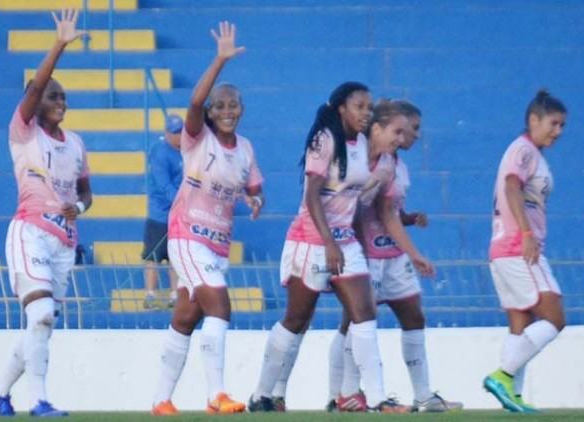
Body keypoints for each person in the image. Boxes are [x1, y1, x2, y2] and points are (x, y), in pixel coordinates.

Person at [248, 84, 408, 413]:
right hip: (311, 241)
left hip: (344, 241)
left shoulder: (362, 145)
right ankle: (262, 394)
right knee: (296, 320)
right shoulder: (325, 139)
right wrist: (329, 242)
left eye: (369, 107)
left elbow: (359, 199)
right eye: (359, 106)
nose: (365, 112)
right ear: (341, 109)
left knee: (364, 313)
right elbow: (311, 196)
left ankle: (376, 398)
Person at [150, 21, 264, 416]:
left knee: (185, 316)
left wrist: (255, 199)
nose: (227, 110)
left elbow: (251, 185)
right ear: (212, 113)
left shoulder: (246, 149)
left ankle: (161, 399)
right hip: (186, 235)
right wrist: (220, 60)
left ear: (242, 110)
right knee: (220, 306)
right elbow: (195, 104)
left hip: (217, 243)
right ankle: (217, 395)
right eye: (221, 105)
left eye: (233, 104)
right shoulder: (198, 137)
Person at [0, 9, 90, 417]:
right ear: (36, 101)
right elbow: (34, 91)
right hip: (29, 231)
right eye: (52, 95)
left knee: (38, 323)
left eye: (63, 96)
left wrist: (77, 207)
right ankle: (40, 401)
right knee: (42, 314)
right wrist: (59, 44)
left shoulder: (77, 143)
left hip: (64, 239)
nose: (60, 101)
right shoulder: (23, 130)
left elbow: (86, 193)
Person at [326, 100, 462, 413]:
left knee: (414, 317)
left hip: (392, 253)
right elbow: (354, 209)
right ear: (379, 127)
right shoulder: (356, 157)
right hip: (363, 254)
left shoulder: (391, 165)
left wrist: (412, 242)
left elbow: (387, 211)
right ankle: (344, 393)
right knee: (354, 323)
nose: (407, 137)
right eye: (403, 130)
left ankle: (424, 396)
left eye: (409, 131)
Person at [483, 89, 567, 413]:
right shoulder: (524, 150)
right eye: (553, 123)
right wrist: (527, 232)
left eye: (562, 126)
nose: (558, 131)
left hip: (504, 249)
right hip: (520, 247)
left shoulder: (531, 152)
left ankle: (512, 396)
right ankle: (502, 375)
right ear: (534, 119)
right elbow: (510, 186)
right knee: (554, 318)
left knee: (521, 323)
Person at [142, 114, 184, 309]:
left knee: (175, 255)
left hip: (179, 214)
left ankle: (175, 293)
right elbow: (163, 183)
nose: (179, 136)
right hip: (160, 212)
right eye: (175, 132)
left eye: (181, 131)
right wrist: (181, 201)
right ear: (167, 133)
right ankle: (150, 293)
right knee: (153, 256)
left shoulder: (187, 149)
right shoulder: (160, 152)